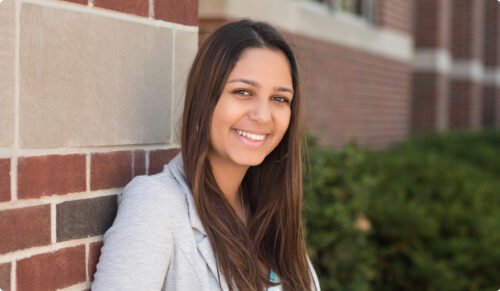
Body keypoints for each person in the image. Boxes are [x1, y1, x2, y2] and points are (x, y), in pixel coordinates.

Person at [92, 19, 320, 291]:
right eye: (243, 92)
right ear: (204, 100)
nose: (263, 115)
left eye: (280, 98)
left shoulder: (271, 212)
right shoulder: (157, 204)